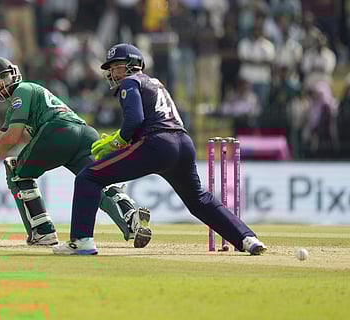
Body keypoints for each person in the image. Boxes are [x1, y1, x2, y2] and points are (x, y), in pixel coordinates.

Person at [53, 43, 267, 255]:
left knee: (87, 177)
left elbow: (134, 120)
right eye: (111, 68)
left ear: (133, 65)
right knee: (198, 200)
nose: (112, 73)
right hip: (183, 143)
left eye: (117, 66)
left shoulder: (130, 82)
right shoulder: (155, 83)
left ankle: (82, 241)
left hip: (156, 144)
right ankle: (247, 238)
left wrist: (117, 141)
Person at [0, 57, 152, 248]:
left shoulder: (21, 91)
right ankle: (131, 218)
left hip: (57, 131)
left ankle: (42, 231)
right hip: (84, 133)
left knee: (17, 171)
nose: (1, 84)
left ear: (14, 74)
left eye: (3, 77)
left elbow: (12, 138)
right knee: (97, 179)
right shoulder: (20, 99)